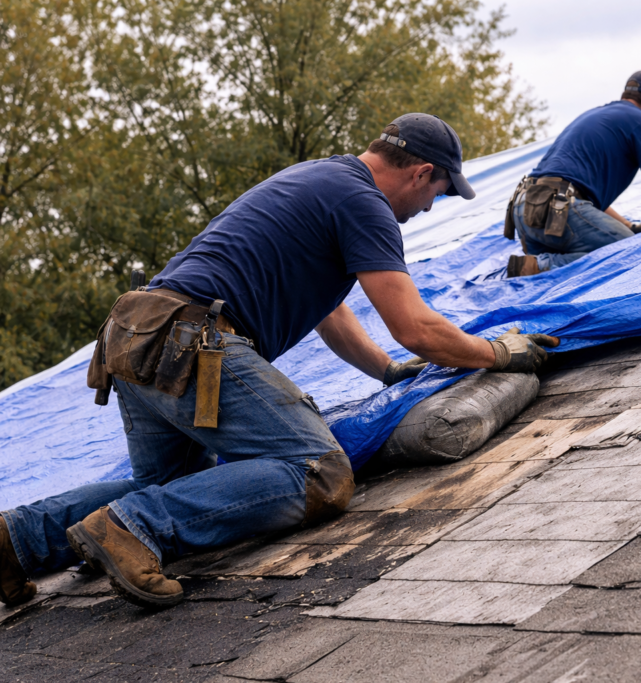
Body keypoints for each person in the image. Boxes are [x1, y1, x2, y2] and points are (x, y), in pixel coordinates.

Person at [0, 113, 558, 609]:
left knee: (166, 478)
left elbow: (330, 313)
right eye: (437, 192)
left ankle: (14, 540)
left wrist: (386, 372)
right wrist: (495, 352)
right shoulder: (365, 203)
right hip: (191, 340)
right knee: (319, 471)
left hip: (134, 336)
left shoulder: (321, 178)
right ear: (421, 173)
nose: (430, 207)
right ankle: (136, 528)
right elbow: (415, 327)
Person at [505, 70, 641, 278]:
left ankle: (532, 268)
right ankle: (539, 267)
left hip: (525, 208)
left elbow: (583, 198)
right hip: (557, 210)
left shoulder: (596, 115)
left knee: (576, 266)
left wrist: (630, 226)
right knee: (631, 252)